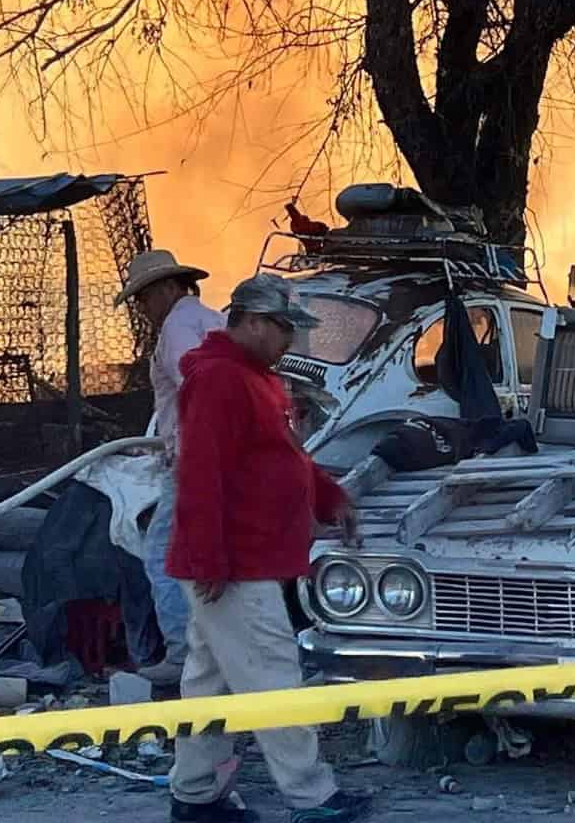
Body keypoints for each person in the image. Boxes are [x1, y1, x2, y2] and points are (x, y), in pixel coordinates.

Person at [168, 274, 369, 823]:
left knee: (211, 682)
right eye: (283, 329)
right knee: (273, 675)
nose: (290, 340)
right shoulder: (219, 381)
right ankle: (312, 798)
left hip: (241, 558)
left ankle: (194, 795)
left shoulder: (258, 379)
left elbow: (287, 458)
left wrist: (330, 497)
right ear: (252, 322)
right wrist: (210, 558)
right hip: (236, 562)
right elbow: (201, 475)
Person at [116, 249, 225, 687]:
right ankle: (223, 652)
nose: (142, 309)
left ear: (165, 289)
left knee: (164, 553)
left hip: (194, 460)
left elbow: (197, 385)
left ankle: (182, 654)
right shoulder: (214, 320)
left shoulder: (178, 327)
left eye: (144, 298)